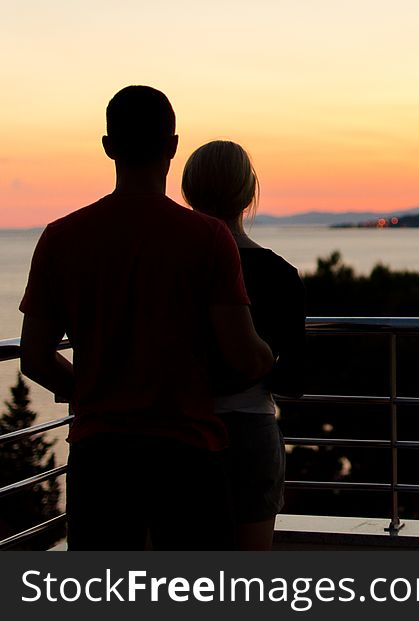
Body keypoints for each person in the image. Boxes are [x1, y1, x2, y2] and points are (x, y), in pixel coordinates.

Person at [19, 86, 275, 550]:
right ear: (173, 146)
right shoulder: (208, 239)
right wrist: (268, 356)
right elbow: (242, 354)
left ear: (109, 146)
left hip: (100, 455)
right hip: (188, 455)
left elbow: (35, 357)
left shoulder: (61, 238)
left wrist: (93, 391)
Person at [182, 140, 305, 550]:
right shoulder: (280, 274)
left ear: (189, 192)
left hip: (178, 433)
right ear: (249, 194)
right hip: (250, 433)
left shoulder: (169, 268)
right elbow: (295, 378)